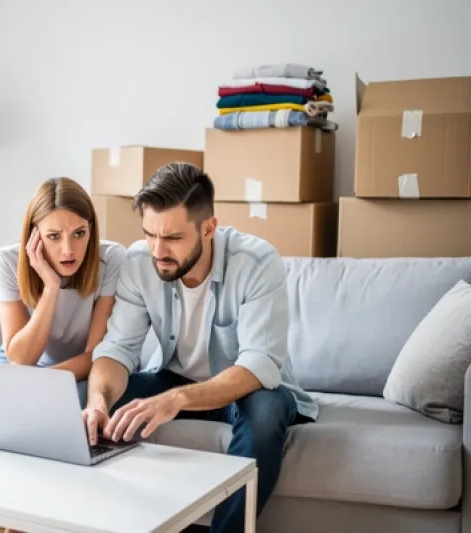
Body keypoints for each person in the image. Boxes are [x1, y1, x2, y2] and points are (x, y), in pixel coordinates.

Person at [82, 163, 317, 533]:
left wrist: (174, 401)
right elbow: (117, 350)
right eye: (149, 234)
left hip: (247, 389)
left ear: (208, 228)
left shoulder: (257, 262)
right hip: (170, 379)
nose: (158, 251)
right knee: (84, 397)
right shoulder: (139, 263)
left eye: (173, 238)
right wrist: (98, 401)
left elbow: (258, 365)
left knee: (268, 414)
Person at [0, 177, 125, 533]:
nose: (68, 250)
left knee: (35, 409)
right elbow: (19, 358)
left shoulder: (111, 259)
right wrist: (51, 287)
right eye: (54, 237)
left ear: (92, 229)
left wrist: (43, 379)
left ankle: (12, 522)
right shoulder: (8, 261)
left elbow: (96, 353)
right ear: (34, 236)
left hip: (83, 367)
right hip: (22, 364)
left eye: (79, 233)